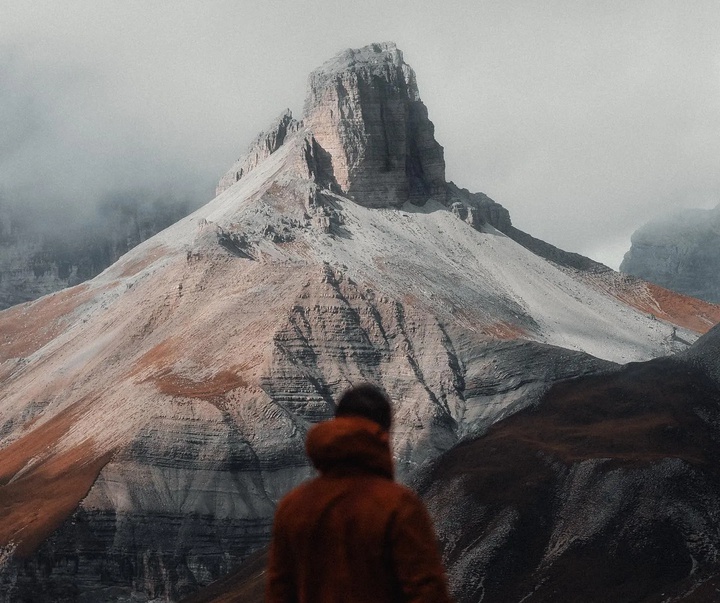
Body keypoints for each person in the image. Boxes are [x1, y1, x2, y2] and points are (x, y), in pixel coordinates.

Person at [266, 383, 452, 603]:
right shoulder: (398, 505)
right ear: (383, 432)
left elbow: (279, 593)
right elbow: (428, 592)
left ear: (337, 425)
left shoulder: (293, 506)